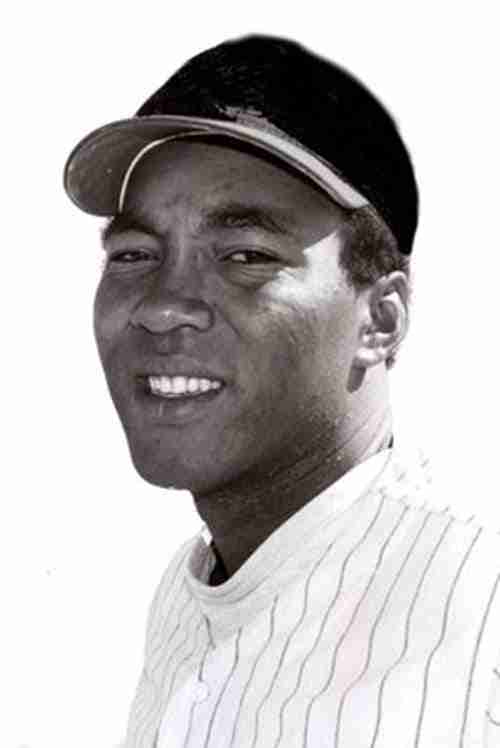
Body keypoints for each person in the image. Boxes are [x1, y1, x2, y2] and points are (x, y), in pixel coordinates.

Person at [63, 34, 500, 748]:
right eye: (134, 254)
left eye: (246, 255)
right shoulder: (184, 598)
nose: (163, 305)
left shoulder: (482, 600)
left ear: (380, 321)